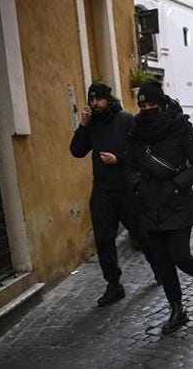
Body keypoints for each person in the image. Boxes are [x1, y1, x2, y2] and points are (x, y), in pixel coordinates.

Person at [124, 80, 193, 334]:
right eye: (142, 104)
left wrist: (177, 184)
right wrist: (138, 186)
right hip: (148, 204)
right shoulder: (136, 131)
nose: (147, 108)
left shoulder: (180, 127)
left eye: (152, 103)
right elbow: (129, 167)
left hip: (177, 202)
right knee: (162, 261)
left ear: (162, 103)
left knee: (179, 255)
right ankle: (177, 309)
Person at [69, 83, 157, 307]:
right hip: (102, 191)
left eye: (99, 99)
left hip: (127, 189)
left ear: (109, 99)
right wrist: (84, 125)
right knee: (104, 239)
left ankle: (159, 269)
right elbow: (77, 151)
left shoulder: (127, 120)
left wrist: (118, 159)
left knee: (142, 234)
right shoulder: (91, 125)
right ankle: (113, 285)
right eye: (92, 99)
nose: (95, 103)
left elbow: (140, 151)